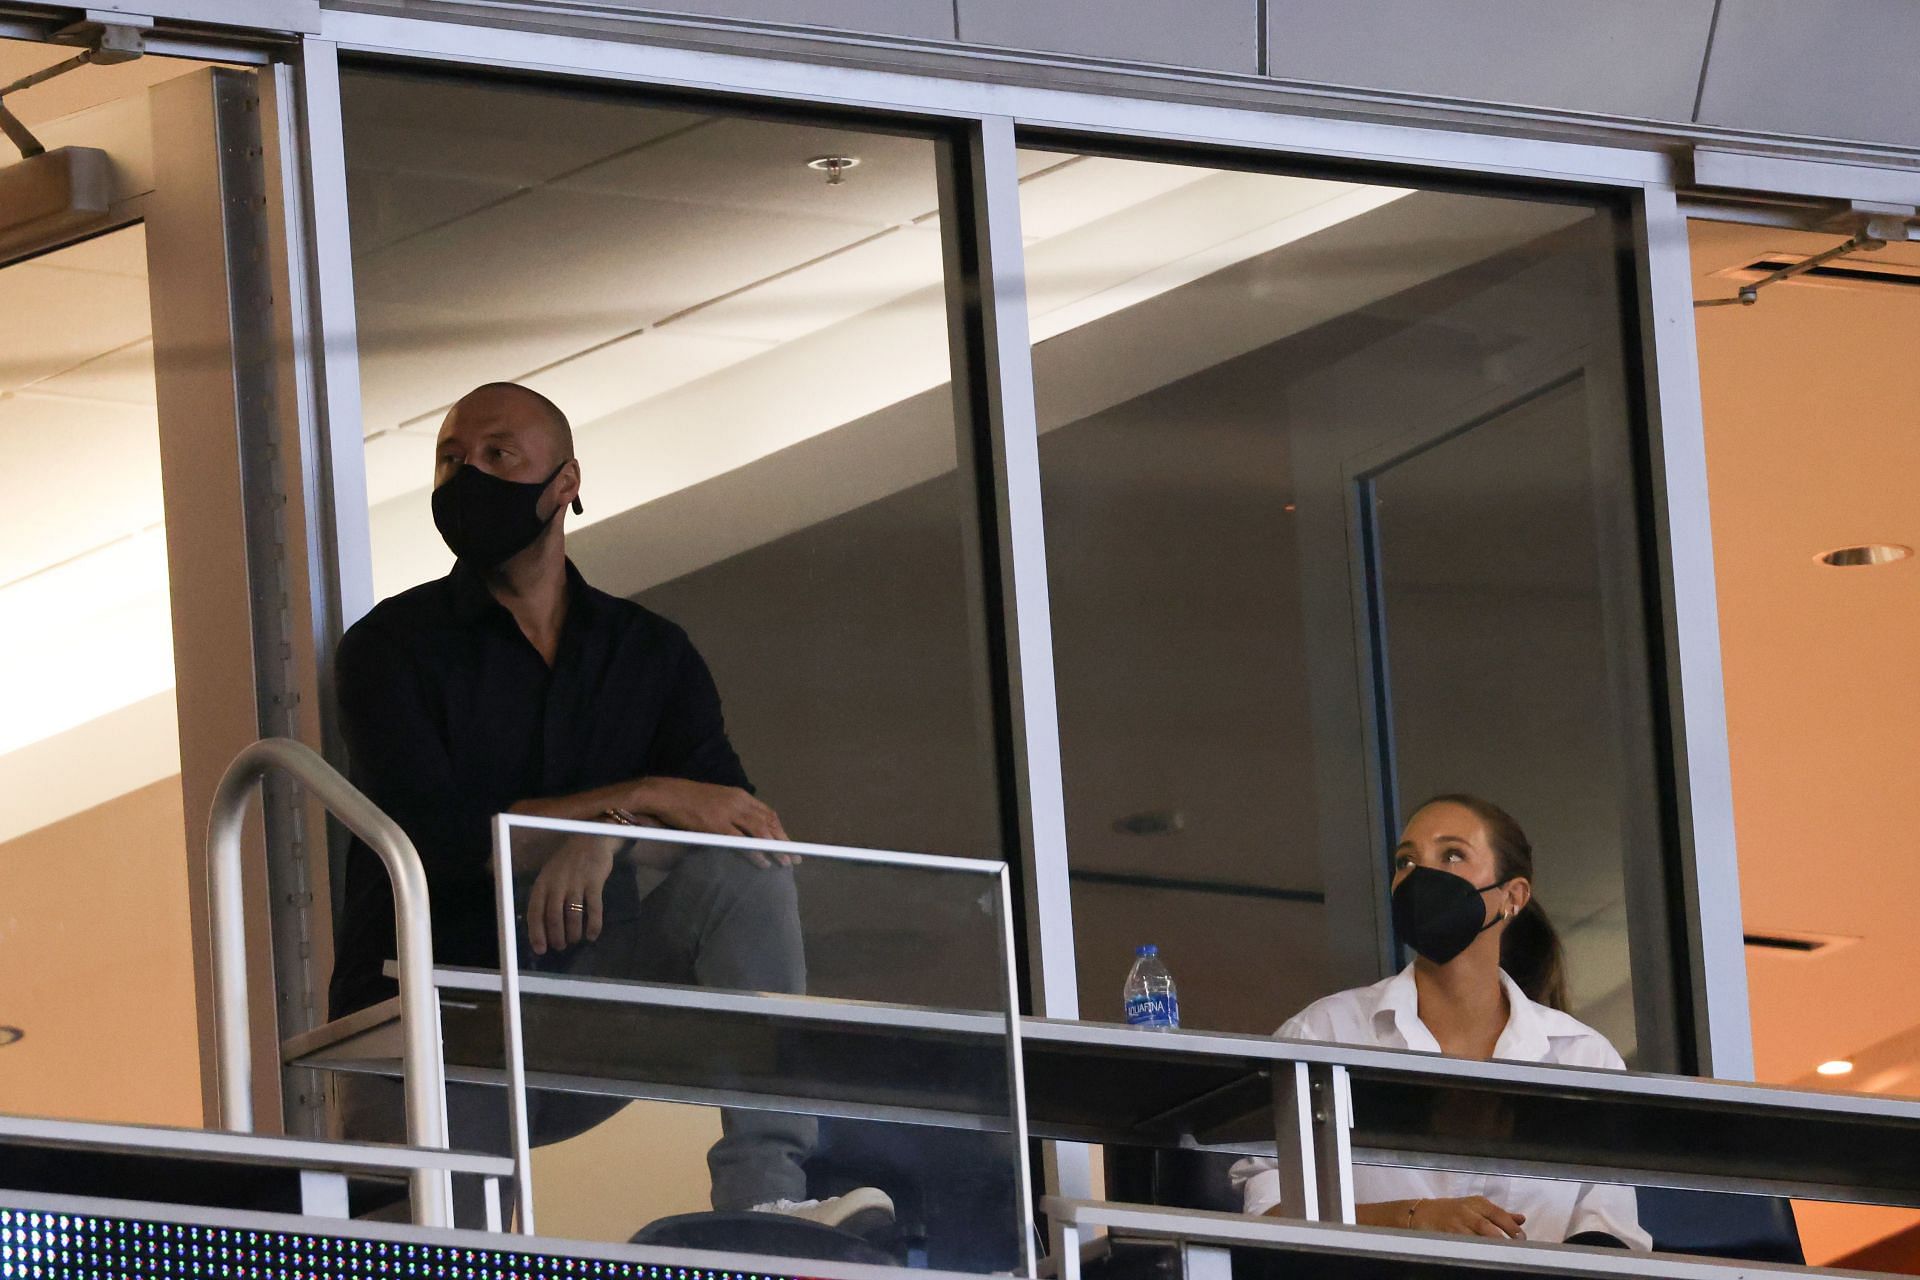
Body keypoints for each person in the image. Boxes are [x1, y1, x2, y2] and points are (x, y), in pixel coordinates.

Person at [327, 381, 890, 1234]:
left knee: (745, 880)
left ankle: (767, 1197)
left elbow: (732, 821)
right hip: (435, 1023)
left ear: (565, 484)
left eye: (495, 455)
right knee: (448, 1245)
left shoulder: (648, 654)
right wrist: (632, 798)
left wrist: (612, 837)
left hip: (581, 1001)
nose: (465, 475)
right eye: (449, 458)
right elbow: (436, 837)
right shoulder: (388, 649)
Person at [1232, 794, 1649, 1251]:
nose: (1420, 876)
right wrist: (1409, 1219)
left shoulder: (1582, 1055)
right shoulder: (1325, 1033)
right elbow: (1269, 1213)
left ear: (1512, 897)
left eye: (1452, 855)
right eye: (1406, 861)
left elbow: (1609, 1230)